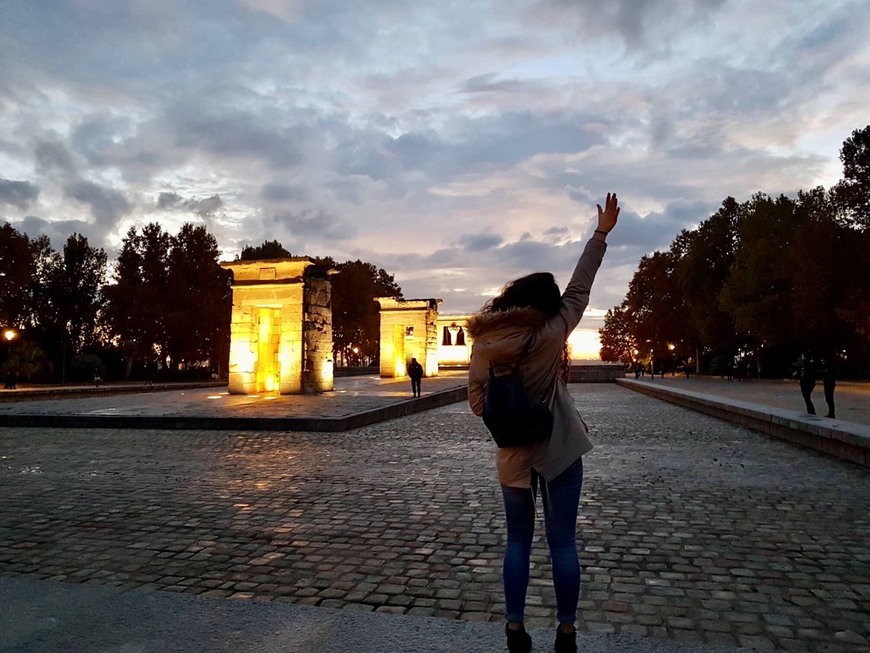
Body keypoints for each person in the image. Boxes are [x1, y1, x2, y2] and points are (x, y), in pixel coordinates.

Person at [466, 193, 620, 653]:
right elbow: (580, 289)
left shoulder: (485, 344)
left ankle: (514, 629)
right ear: (543, 306)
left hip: (512, 453)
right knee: (563, 545)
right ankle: (567, 631)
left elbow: (477, 403)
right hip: (560, 449)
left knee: (517, 542)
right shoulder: (552, 331)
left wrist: (508, 407)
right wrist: (600, 233)